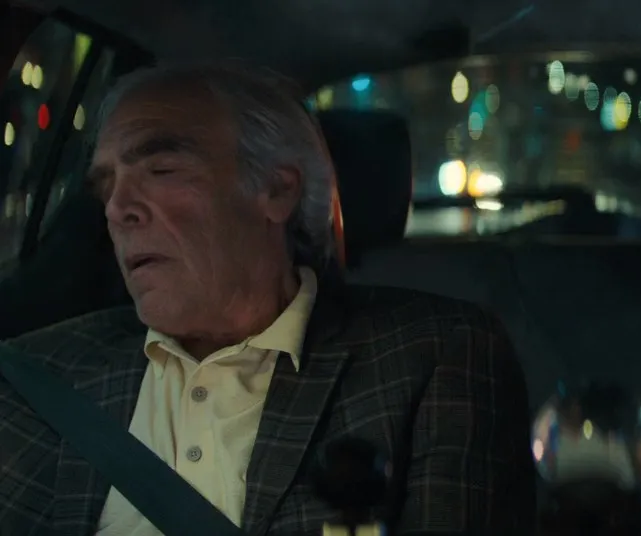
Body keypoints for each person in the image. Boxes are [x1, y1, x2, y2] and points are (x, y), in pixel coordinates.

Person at [0, 62, 535, 534]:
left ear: (277, 190)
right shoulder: (36, 375)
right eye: (106, 187)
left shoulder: (432, 355)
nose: (118, 209)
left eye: (162, 170)